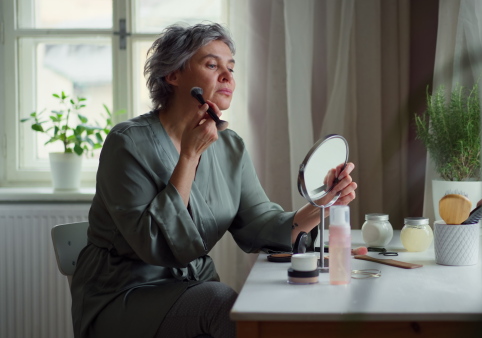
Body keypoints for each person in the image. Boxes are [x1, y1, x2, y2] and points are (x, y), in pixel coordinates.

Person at [70, 22, 357, 338]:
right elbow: (152, 242)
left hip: (193, 286)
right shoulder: (126, 144)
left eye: (231, 68)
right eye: (212, 65)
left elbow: (260, 223)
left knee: (273, 300)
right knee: (221, 303)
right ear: (174, 75)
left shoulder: (230, 146)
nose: (228, 77)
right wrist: (189, 157)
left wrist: (320, 204)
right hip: (125, 295)